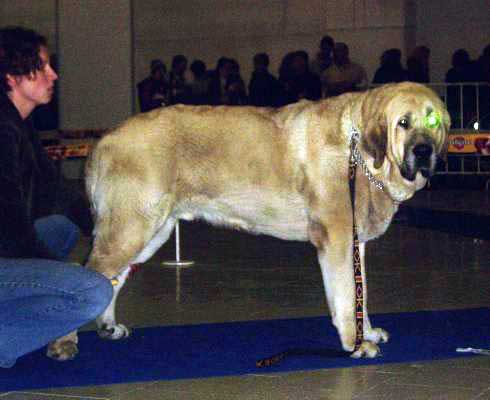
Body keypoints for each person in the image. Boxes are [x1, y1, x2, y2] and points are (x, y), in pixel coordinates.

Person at [0, 26, 113, 368]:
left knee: (60, 227)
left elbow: (57, 190)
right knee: (93, 291)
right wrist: (51, 276)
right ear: (13, 76)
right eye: (44, 66)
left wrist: (107, 234)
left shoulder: (18, 122)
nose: (54, 75)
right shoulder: (3, 132)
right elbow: (11, 224)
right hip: (6, 242)